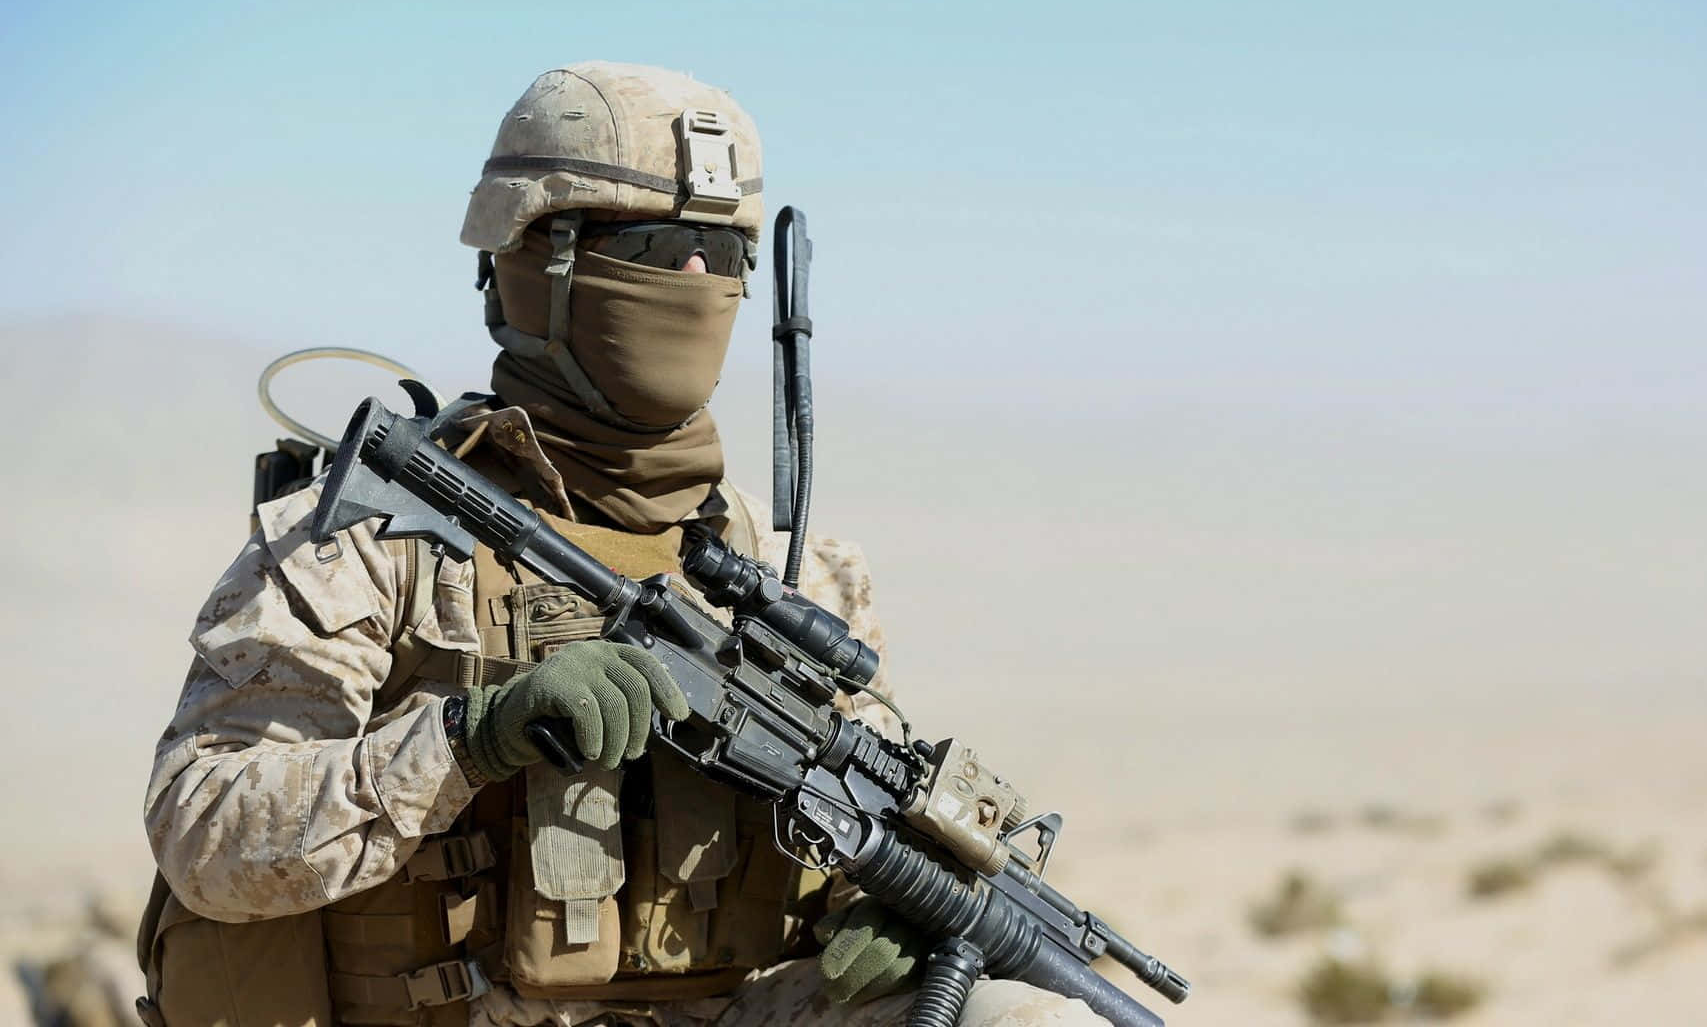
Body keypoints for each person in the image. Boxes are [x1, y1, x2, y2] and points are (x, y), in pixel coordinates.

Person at [137, 62, 1103, 1027]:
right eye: (653, 243)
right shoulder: (374, 536)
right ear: (532, 261)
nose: (695, 281)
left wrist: (888, 906)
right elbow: (203, 829)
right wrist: (471, 740)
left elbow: (856, 825)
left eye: (722, 256)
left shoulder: (792, 570)